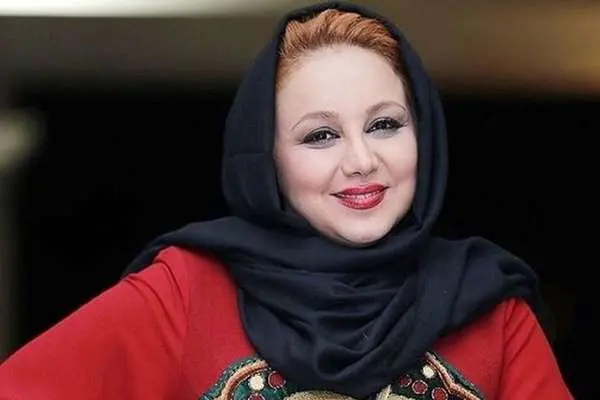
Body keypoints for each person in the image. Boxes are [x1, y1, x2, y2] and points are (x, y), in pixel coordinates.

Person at [0, 1, 573, 399]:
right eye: (320, 135)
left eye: (384, 125)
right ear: (267, 159)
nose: (360, 160)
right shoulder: (189, 292)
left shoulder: (490, 309)